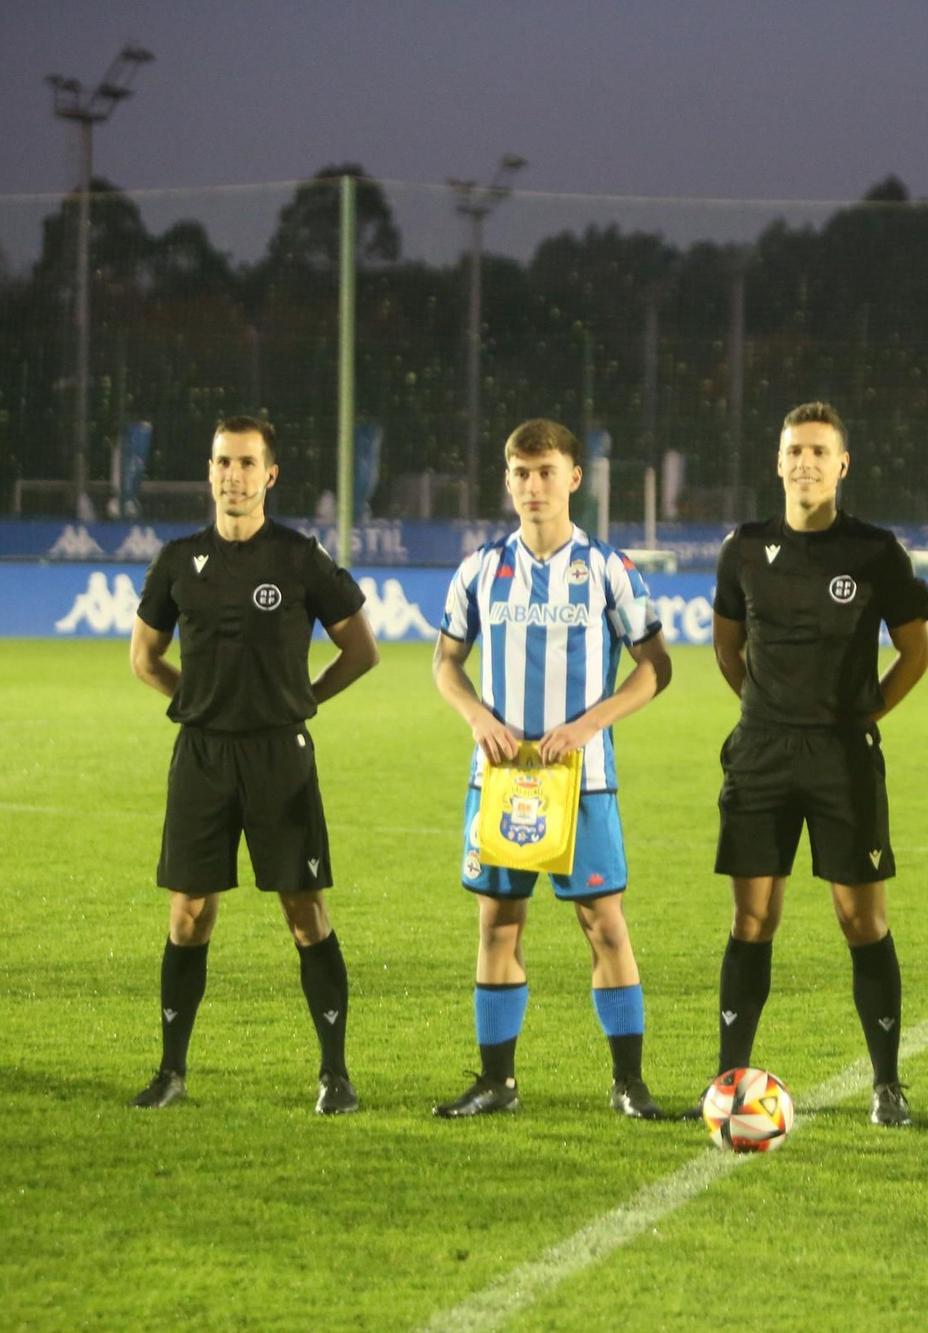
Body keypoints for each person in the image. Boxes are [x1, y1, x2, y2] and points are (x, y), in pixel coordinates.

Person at [127, 414, 381, 1113]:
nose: (232, 475)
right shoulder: (177, 559)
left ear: (269, 474)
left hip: (280, 755)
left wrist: (303, 700)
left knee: (304, 910)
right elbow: (143, 658)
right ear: (208, 472)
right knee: (188, 913)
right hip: (203, 755)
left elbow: (361, 650)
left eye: (245, 463)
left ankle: (335, 1074)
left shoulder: (300, 557)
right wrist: (205, 700)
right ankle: (171, 1072)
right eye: (221, 462)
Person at [431, 419, 674, 1120]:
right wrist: (478, 717)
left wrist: (590, 722)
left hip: (584, 779)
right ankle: (496, 1082)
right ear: (507, 481)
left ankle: (629, 1082)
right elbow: (445, 662)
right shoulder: (479, 568)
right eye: (521, 473)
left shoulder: (608, 569)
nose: (533, 486)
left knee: (603, 923)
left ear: (574, 478)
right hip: (502, 778)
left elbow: (656, 666)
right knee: (498, 923)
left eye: (547, 472)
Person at [704, 401, 928, 1127]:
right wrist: (767, 709)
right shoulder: (743, 548)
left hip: (843, 759)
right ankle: (729, 1080)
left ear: (842, 466)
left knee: (860, 918)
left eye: (818, 452)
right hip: (762, 755)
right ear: (778, 463)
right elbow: (726, 646)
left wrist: (864, 715)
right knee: (753, 916)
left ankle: (887, 1083)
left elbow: (916, 650)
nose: (805, 462)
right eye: (793, 451)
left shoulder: (874, 551)